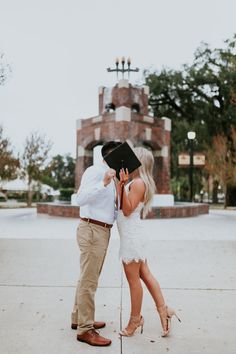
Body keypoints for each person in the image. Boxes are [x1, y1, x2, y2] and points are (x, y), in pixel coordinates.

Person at [116, 146, 181, 337]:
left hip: (132, 238)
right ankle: (164, 310)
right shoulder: (137, 182)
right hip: (134, 235)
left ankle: (135, 319)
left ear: (139, 162)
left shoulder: (137, 183)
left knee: (133, 280)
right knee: (145, 275)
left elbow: (126, 210)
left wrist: (121, 186)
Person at [71, 141, 121, 347]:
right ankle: (85, 329)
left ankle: (78, 319)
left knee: (87, 277)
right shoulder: (95, 172)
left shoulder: (112, 175)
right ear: (110, 156)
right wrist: (103, 183)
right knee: (89, 281)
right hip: (92, 230)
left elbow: (111, 208)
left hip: (101, 231)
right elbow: (80, 199)